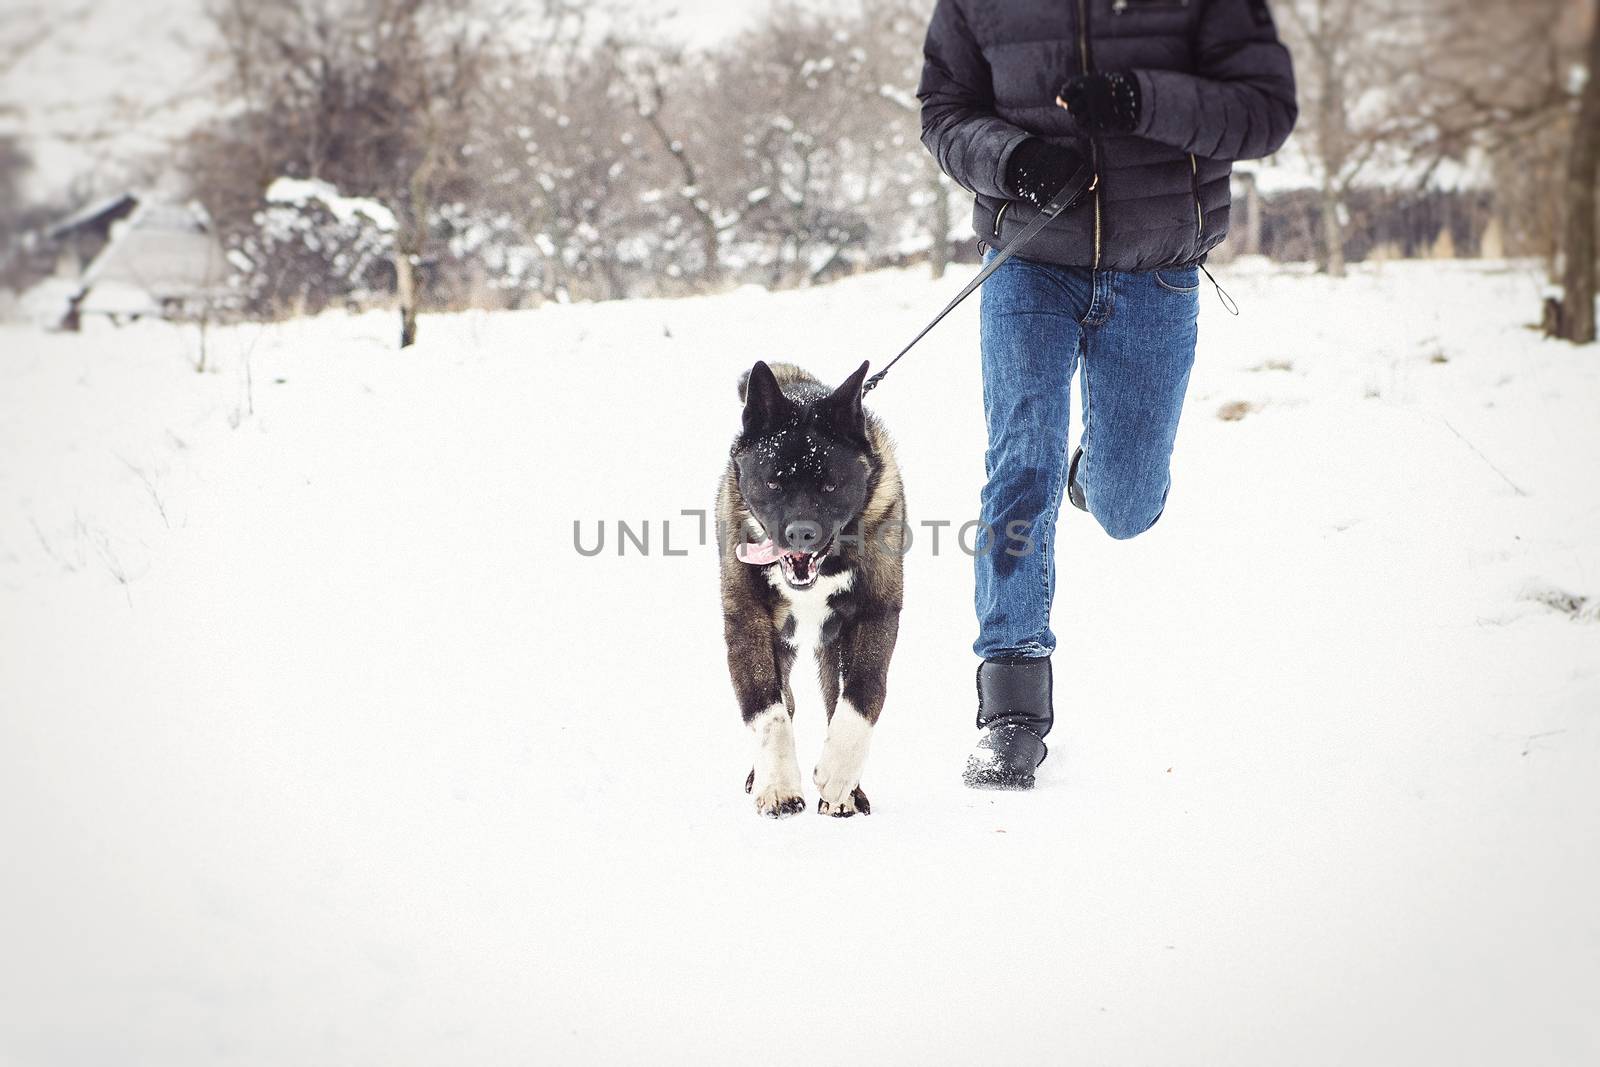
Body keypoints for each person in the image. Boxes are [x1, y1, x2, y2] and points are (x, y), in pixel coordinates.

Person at [918, 0, 1298, 789]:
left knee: (1126, 506)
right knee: (1021, 458)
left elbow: (1264, 113)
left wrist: (1141, 101)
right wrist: (1012, 158)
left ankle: (1097, 475)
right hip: (1028, 258)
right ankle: (1011, 709)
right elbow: (945, 110)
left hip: (1156, 268)